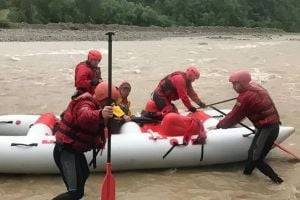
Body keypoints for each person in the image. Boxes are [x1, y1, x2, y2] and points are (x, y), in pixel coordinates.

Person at [52, 81, 119, 200]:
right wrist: (101, 114)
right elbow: (84, 116)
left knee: (84, 175)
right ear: (102, 99)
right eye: (110, 102)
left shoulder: (98, 107)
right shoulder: (85, 103)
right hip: (66, 151)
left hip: (75, 151)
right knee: (74, 192)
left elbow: (94, 131)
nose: (112, 105)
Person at [216, 70, 283, 184]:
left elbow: (233, 117)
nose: (233, 87)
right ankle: (246, 178)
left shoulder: (245, 97)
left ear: (242, 83)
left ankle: (278, 182)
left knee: (256, 158)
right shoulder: (255, 87)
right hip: (268, 126)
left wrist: (219, 126)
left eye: (235, 84)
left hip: (268, 128)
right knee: (251, 154)